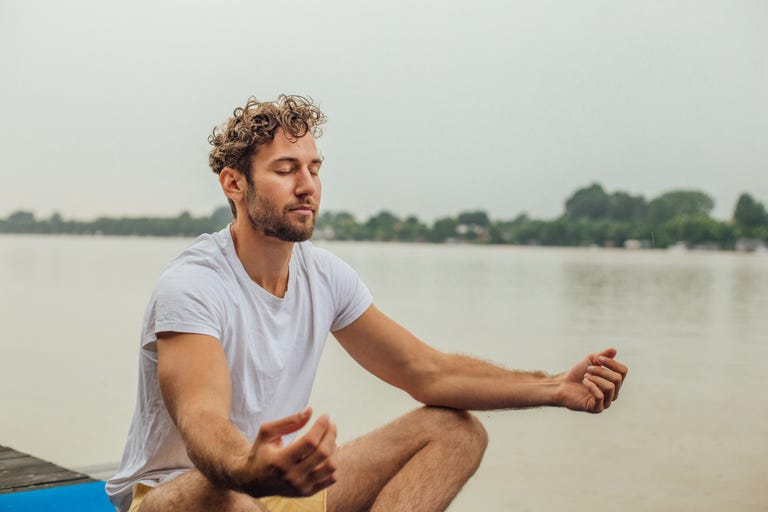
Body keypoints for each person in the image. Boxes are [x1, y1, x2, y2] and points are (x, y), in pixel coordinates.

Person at [106, 95, 628, 512]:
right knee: (220, 495)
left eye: (314, 167)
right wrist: (248, 466)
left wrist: (555, 386)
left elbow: (428, 372)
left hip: (273, 495)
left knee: (455, 430)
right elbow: (202, 419)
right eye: (286, 169)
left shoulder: (325, 276)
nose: (307, 185)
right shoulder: (193, 285)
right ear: (234, 183)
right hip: (184, 498)